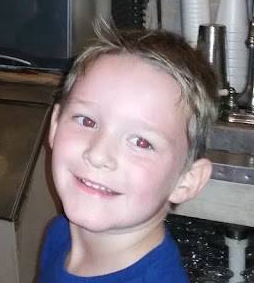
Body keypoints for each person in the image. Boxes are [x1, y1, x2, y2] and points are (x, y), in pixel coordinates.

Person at [40, 27, 218, 282]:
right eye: (87, 121)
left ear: (186, 181)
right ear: (55, 125)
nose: (98, 155)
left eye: (141, 142)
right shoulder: (60, 234)